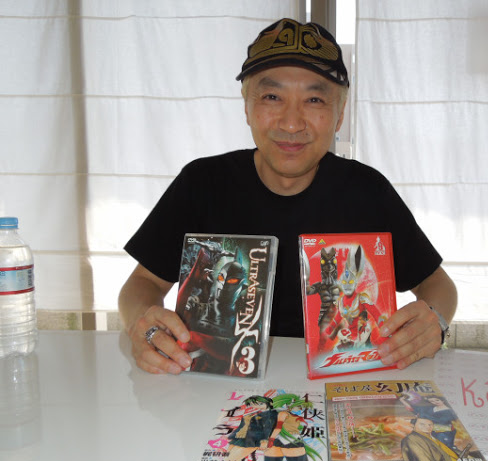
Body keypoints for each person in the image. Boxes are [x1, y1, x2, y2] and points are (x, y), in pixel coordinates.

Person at [118, 17, 458, 375]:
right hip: (213, 386)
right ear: (246, 107)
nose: (292, 123)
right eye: (272, 97)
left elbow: (437, 284)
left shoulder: (368, 191)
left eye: (314, 99)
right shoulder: (202, 183)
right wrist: (145, 324)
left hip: (340, 382)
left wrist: (434, 321)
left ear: (339, 115)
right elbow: (142, 284)